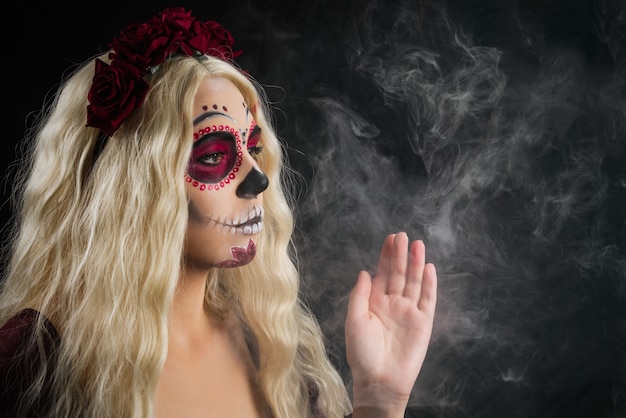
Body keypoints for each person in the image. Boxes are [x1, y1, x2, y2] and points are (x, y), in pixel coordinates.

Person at [0, 7, 437, 418]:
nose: (258, 180)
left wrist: (379, 400)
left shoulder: (272, 347)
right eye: (213, 156)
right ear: (133, 186)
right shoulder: (32, 361)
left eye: (254, 148)